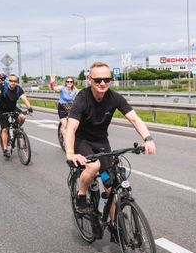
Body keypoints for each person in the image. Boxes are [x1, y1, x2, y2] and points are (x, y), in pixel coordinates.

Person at [65, 62, 156, 215]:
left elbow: (134, 119)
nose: (103, 83)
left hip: (101, 141)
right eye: (98, 80)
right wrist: (70, 153)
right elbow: (71, 128)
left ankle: (114, 225)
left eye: (107, 79)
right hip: (82, 140)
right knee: (93, 166)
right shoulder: (82, 98)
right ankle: (81, 195)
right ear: (89, 80)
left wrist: (148, 138)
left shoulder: (115, 97)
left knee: (111, 185)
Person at [0, 74, 33, 157]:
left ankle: (16, 129)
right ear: (8, 81)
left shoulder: (18, 89)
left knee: (23, 117)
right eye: (11, 81)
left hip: (13, 108)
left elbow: (24, 98)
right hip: (3, 110)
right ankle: (5, 149)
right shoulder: (4, 88)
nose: (13, 83)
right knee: (4, 130)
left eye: (15, 81)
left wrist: (29, 107)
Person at [50, 76, 78, 142]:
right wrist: (52, 83)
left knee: (74, 124)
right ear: (65, 82)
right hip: (62, 107)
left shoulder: (75, 90)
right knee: (65, 126)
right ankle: (65, 141)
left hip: (71, 107)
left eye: (71, 81)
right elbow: (53, 88)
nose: (69, 83)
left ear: (73, 83)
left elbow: (80, 97)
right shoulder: (62, 88)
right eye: (68, 81)